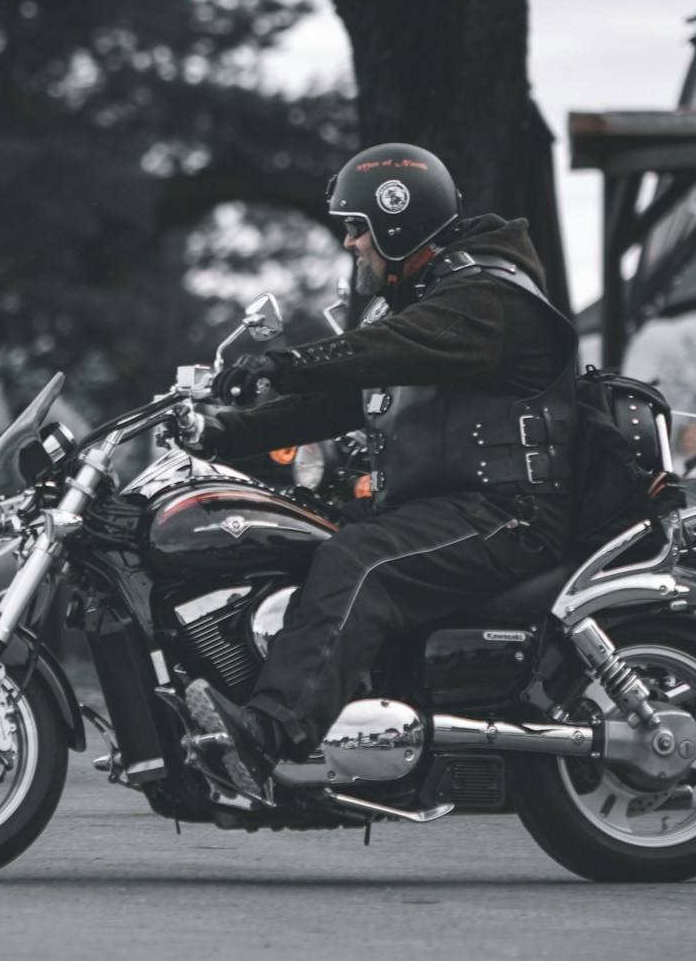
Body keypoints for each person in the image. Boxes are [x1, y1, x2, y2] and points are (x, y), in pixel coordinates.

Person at [179, 143, 580, 796]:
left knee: (357, 561)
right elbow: (333, 403)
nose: (349, 242)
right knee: (292, 534)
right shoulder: (422, 299)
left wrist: (282, 363)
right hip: (444, 509)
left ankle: (269, 734)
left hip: (506, 513)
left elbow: (387, 349)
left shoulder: (483, 295)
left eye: (358, 226)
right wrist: (216, 433)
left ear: (399, 220)